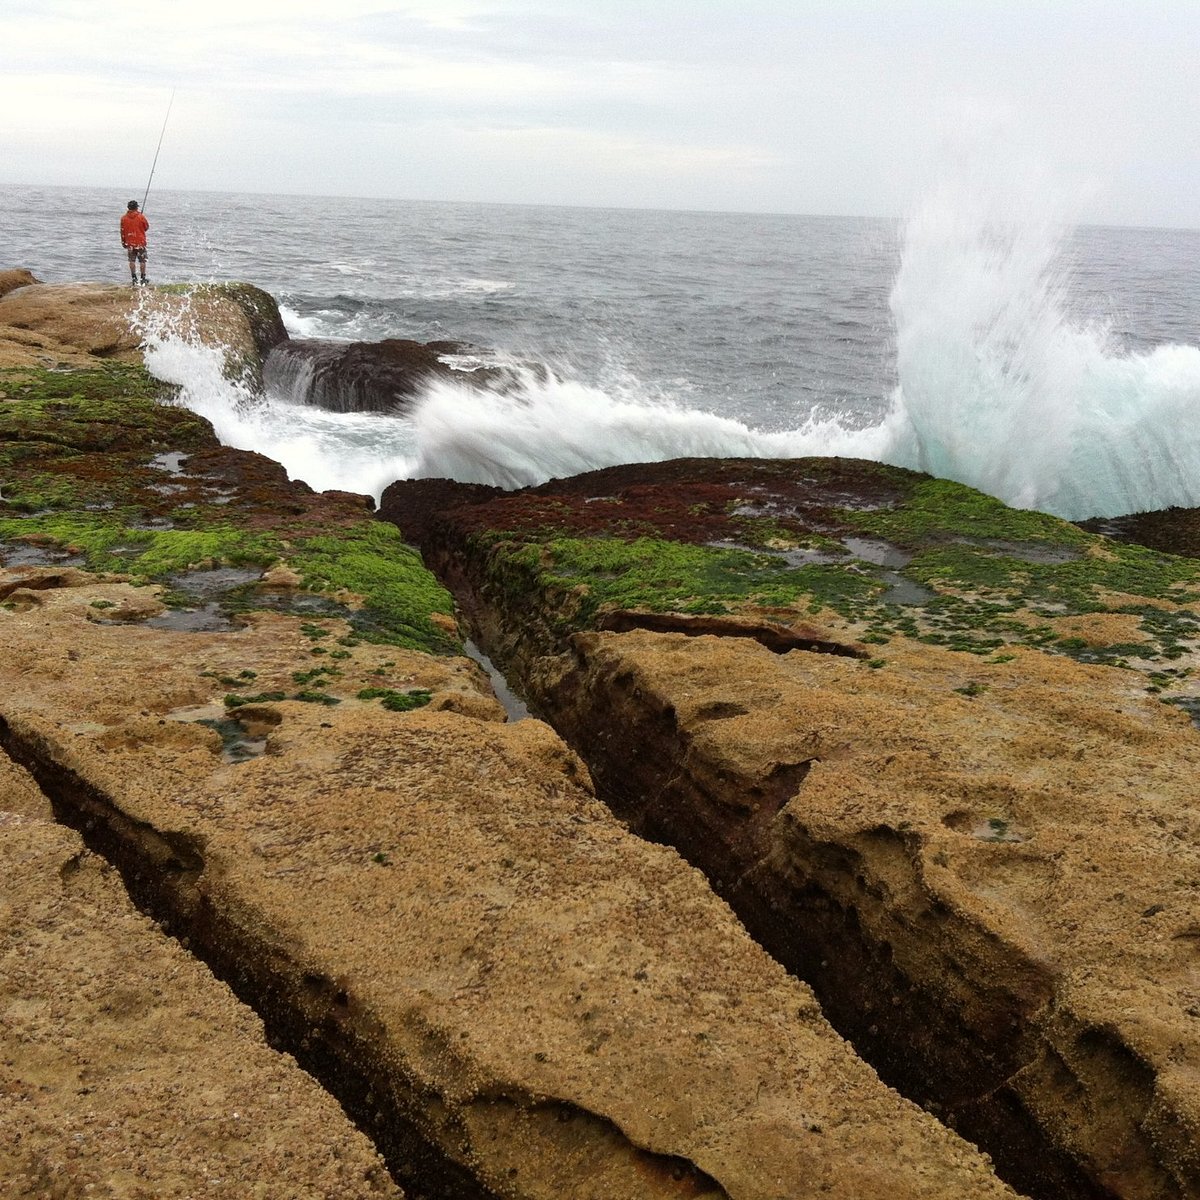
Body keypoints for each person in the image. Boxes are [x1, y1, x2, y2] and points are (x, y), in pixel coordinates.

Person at [120, 200, 149, 286]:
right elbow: (146, 227)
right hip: (140, 242)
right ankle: (143, 278)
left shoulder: (123, 218)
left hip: (129, 243)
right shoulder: (141, 217)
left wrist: (123, 242)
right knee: (142, 261)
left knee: (131, 260)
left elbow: (122, 231)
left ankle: (134, 278)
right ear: (136, 208)